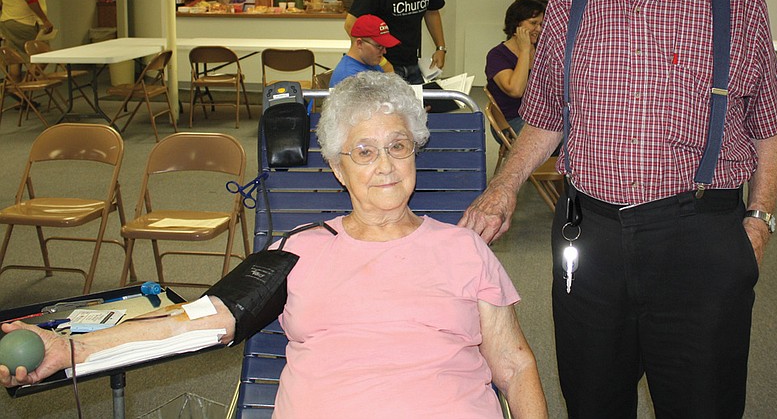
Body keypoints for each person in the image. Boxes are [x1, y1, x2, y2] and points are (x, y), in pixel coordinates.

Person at [460, 0, 777, 418]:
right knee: (592, 398)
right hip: (588, 235)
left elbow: (768, 117)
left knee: (702, 404)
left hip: (700, 229)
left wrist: (761, 220)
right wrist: (502, 187)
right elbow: (545, 111)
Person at [1, 71, 549, 419]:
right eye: (363, 151)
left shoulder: (463, 249)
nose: (384, 165)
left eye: (397, 146)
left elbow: (515, 366)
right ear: (337, 169)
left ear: (415, 152)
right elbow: (202, 321)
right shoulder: (298, 251)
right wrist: (67, 349)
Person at [485, 0, 548, 134]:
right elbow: (516, 90)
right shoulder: (497, 55)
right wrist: (525, 50)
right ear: (516, 23)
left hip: (543, 117)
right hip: (512, 121)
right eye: (533, 23)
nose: (539, 29)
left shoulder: (544, 50)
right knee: (562, 137)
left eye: (542, 24)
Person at [329, 14, 399, 87]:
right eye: (379, 46)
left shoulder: (370, 63)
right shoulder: (350, 78)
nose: (384, 51)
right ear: (359, 43)